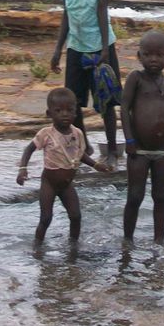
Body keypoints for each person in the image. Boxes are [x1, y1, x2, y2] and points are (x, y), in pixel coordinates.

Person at [49, 0, 122, 168]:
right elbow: (67, 14)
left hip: (100, 46)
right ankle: (84, 146)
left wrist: (103, 49)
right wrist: (58, 49)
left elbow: (102, 11)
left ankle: (112, 150)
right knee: (74, 103)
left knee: (107, 101)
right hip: (76, 47)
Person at [17, 87, 109, 241]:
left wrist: (95, 165)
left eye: (69, 110)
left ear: (75, 113)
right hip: (49, 183)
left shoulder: (77, 133)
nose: (64, 114)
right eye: (58, 110)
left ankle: (73, 246)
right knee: (46, 218)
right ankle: (37, 247)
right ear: (49, 114)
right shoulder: (46, 134)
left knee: (76, 216)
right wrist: (22, 169)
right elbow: (29, 149)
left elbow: (80, 154)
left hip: (66, 185)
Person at [120, 30, 164, 244]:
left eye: (159, 55)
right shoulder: (136, 79)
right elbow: (124, 109)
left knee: (161, 197)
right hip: (139, 151)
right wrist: (129, 141)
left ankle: (159, 241)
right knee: (135, 197)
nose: (153, 59)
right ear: (139, 56)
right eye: (147, 55)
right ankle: (128, 240)